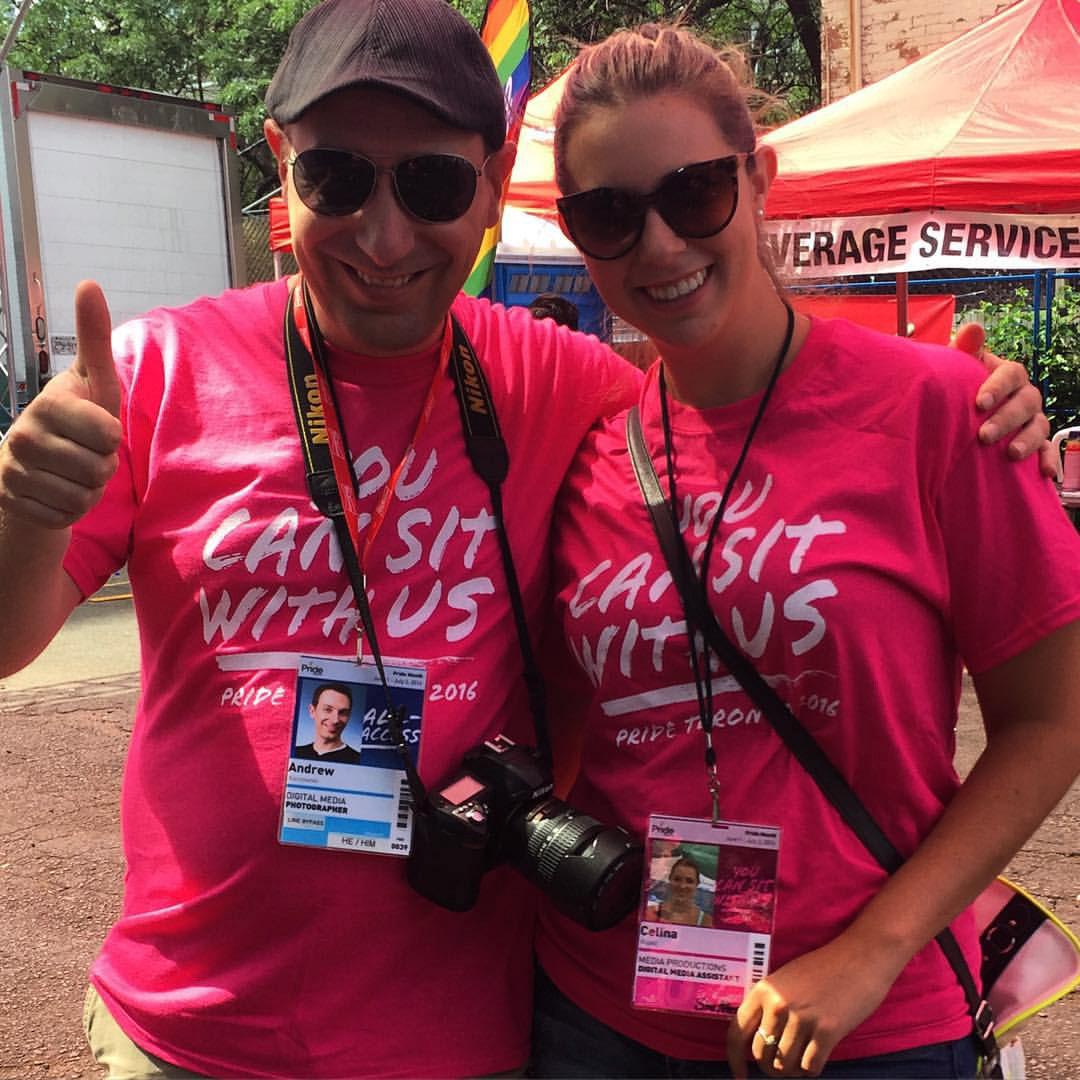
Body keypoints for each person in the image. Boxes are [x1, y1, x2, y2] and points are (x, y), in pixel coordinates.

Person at [0, 1, 1052, 1076]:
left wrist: (969, 402)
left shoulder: (570, 389)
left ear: (493, 188)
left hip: (470, 1029)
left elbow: (755, 401)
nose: (384, 233)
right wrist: (22, 517)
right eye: (339, 178)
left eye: (433, 184)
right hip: (208, 1025)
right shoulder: (151, 374)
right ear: (281, 164)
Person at [531, 23, 1080, 1080]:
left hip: (868, 1024)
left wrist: (871, 953)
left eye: (693, 192)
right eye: (608, 213)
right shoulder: (587, 447)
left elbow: (1054, 721)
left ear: (760, 178)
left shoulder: (940, 410)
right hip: (605, 1019)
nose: (656, 245)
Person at [293, 681, 363, 763]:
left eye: (343, 712)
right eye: (328, 709)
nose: (335, 720)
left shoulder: (357, 760)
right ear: (312, 711)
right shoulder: (295, 753)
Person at [645, 856, 714, 928]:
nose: (682, 886)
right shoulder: (649, 913)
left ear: (697, 884)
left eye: (689, 881)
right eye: (677, 879)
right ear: (670, 880)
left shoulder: (706, 922)